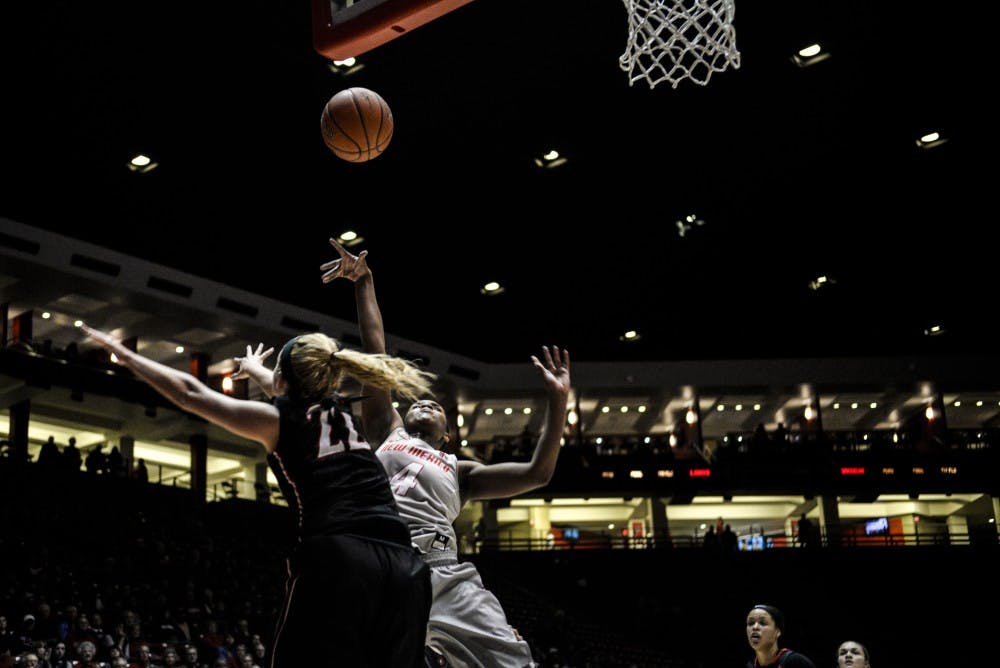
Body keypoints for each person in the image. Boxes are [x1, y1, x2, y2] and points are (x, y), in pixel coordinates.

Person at [81, 323, 434, 668]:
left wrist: (127, 357)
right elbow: (287, 392)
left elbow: (191, 394)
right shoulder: (339, 409)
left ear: (283, 379)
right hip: (406, 567)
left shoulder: (278, 421)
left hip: (341, 556)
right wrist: (256, 370)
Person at [320, 238, 571, 668]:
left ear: (448, 436)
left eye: (437, 407)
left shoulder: (460, 471)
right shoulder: (387, 430)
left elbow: (538, 473)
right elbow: (376, 353)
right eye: (421, 400)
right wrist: (364, 283)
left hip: (442, 571)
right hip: (379, 561)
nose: (426, 403)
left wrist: (559, 402)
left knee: (515, 662)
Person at [745, 604, 817, 668]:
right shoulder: (750, 665)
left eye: (763, 623)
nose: (755, 627)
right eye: (751, 623)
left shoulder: (796, 662)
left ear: (778, 631)